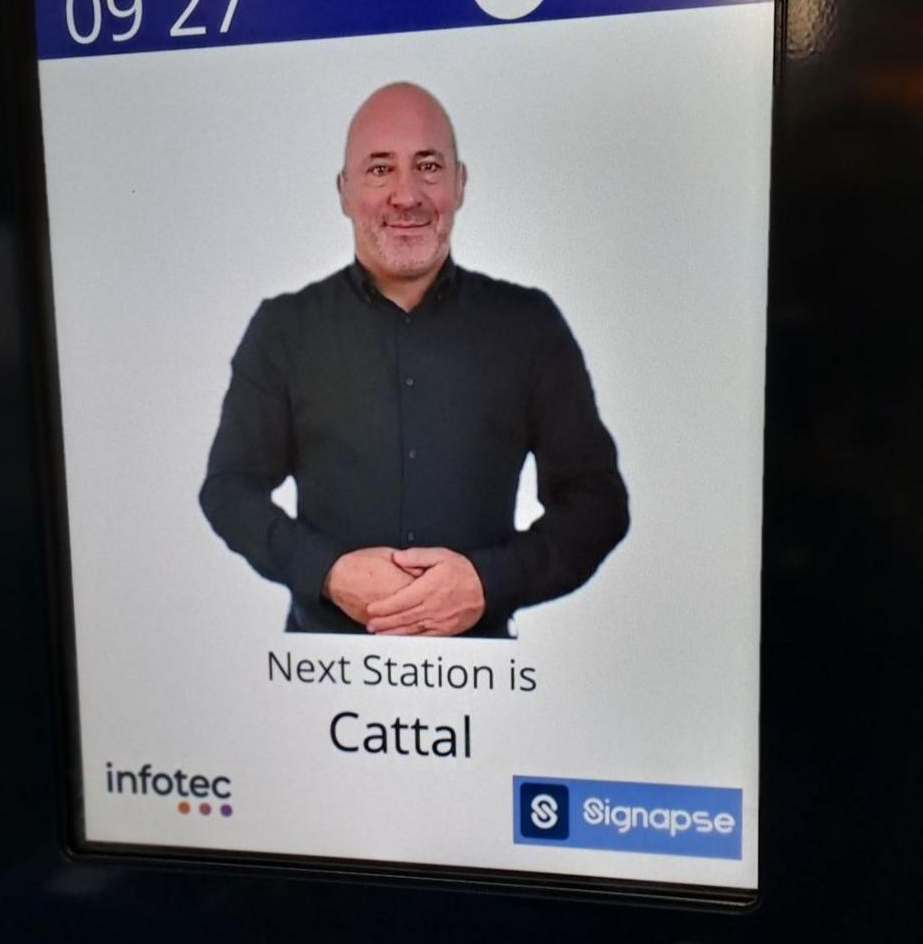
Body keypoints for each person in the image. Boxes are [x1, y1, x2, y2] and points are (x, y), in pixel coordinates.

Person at [200, 82, 628, 637]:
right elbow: (229, 490)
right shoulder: (284, 329)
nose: (406, 194)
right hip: (321, 679)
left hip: (483, 681)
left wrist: (486, 582)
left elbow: (597, 502)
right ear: (344, 190)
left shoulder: (529, 325)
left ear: (460, 182)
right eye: (380, 170)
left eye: (428, 166)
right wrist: (327, 572)